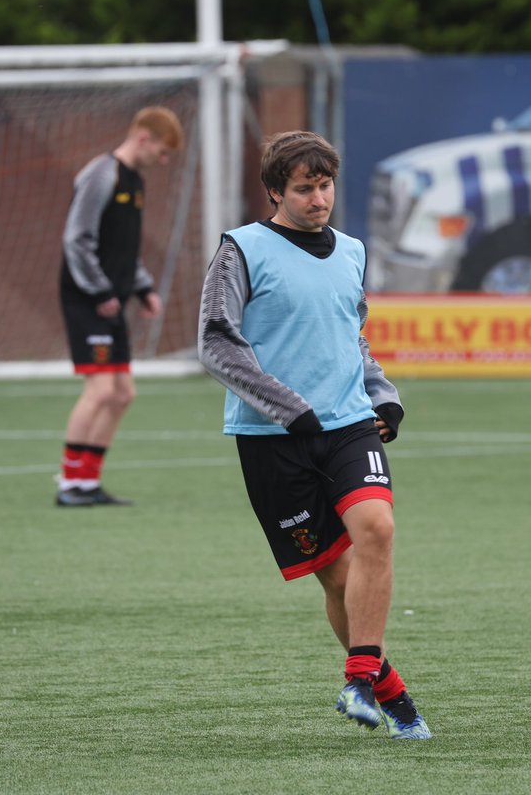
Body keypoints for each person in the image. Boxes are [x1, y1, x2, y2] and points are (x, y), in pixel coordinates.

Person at [198, 130, 431, 739]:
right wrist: (287, 409)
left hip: (349, 426)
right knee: (338, 575)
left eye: (325, 185)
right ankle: (395, 695)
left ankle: (357, 680)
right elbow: (216, 344)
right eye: (304, 189)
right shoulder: (240, 250)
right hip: (272, 439)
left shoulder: (352, 251)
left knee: (377, 528)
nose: (318, 198)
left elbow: (351, 338)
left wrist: (385, 397)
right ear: (276, 191)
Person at [55, 106, 184, 507]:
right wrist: (100, 292)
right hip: (87, 299)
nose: (163, 162)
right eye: (162, 152)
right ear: (143, 137)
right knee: (100, 389)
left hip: (111, 300)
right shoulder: (102, 173)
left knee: (123, 393)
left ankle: (88, 482)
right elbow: (77, 239)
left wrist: (142, 287)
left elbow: (122, 247)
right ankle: (69, 484)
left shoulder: (135, 181)